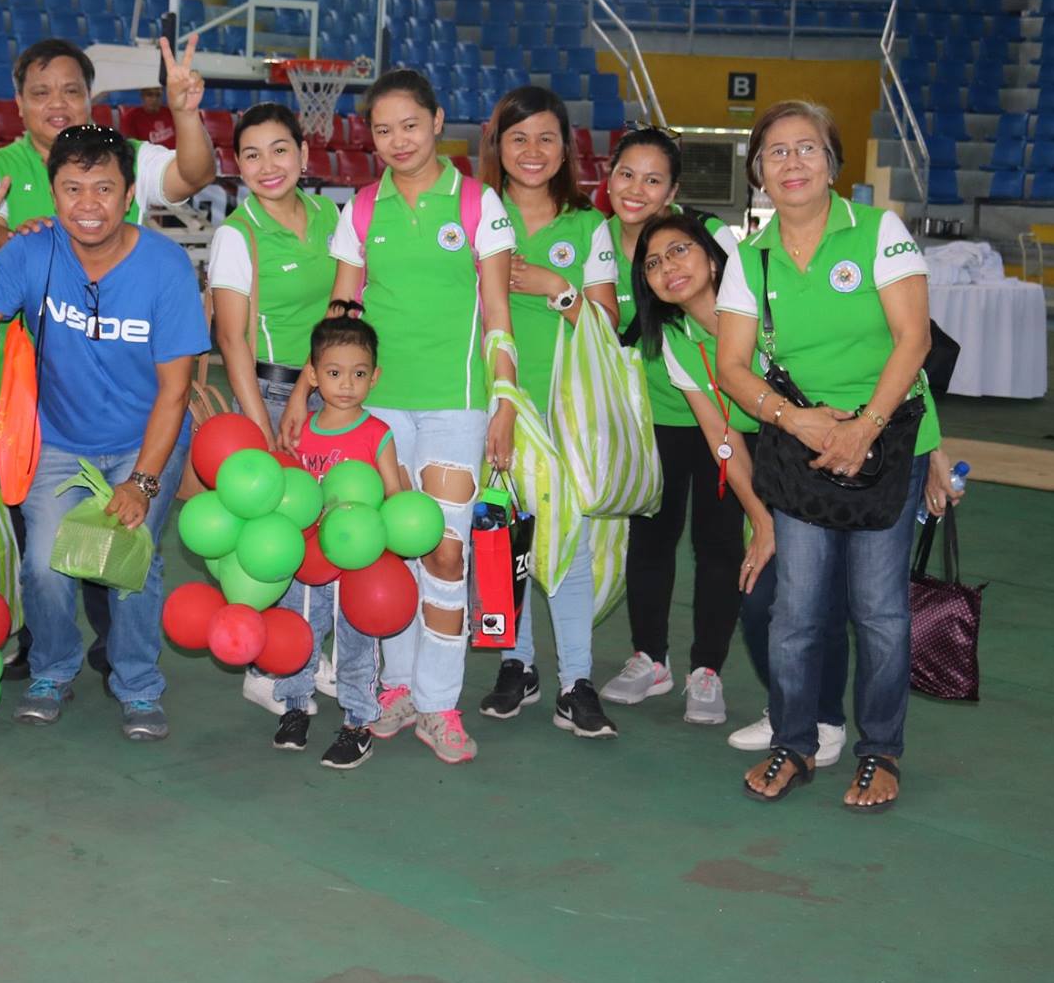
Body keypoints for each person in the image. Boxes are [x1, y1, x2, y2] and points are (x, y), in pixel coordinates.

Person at [716, 99, 959, 811]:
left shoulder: (880, 231)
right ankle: (793, 743)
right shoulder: (749, 258)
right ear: (757, 171)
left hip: (886, 443)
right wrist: (798, 421)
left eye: (807, 148)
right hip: (801, 450)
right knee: (796, 612)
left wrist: (864, 428)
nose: (791, 162)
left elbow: (914, 340)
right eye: (776, 152)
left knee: (879, 610)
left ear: (832, 163)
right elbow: (732, 367)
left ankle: (880, 751)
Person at [0, 123, 209, 741]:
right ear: (53, 193)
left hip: (146, 439)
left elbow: (174, 391)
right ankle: (52, 670)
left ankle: (138, 684)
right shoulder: (31, 253)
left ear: (128, 195)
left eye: (104, 189)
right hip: (58, 440)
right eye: (73, 188)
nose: (89, 204)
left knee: (130, 559)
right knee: (44, 565)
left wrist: (142, 482)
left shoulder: (165, 266)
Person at [280, 68, 518, 765]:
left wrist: (505, 401)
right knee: (391, 553)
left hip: (456, 405)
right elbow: (340, 318)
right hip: (376, 411)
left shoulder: (477, 203)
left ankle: (441, 704)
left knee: (444, 552)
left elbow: (498, 311)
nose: (398, 140)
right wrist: (303, 390)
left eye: (410, 125)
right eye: (383, 130)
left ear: (437, 121)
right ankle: (400, 689)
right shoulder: (360, 210)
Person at [0, 36, 216, 675]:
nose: (57, 103)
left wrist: (185, 111)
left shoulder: (120, 154)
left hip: (128, 382)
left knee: (118, 543)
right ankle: (47, 654)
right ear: (18, 102)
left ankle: (117, 655)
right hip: (33, 388)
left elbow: (192, 174)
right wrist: (15, 242)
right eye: (41, 92)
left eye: (71, 90)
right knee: (42, 549)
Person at [629, 213, 855, 764]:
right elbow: (721, 436)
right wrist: (761, 519)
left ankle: (825, 719)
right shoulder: (677, 341)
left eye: (679, 251)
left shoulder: (762, 306)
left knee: (824, 601)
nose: (668, 268)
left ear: (713, 259)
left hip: (827, 453)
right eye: (653, 264)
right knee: (759, 599)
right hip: (771, 471)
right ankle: (790, 710)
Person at [583, 127, 747, 725]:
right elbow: (599, 327)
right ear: (609, 178)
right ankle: (650, 658)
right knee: (650, 540)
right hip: (648, 421)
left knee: (718, 543)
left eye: (654, 180)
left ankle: (708, 669)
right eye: (627, 174)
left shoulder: (708, 235)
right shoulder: (598, 238)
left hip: (724, 414)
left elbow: (742, 317)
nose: (637, 189)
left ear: (673, 191)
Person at [471, 86, 616, 739]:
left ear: (566, 149)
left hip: (565, 415)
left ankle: (577, 679)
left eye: (546, 138)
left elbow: (606, 328)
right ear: (497, 146)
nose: (532, 151)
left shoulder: (588, 226)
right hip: (488, 402)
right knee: (501, 538)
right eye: (518, 138)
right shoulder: (477, 212)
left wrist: (557, 288)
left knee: (568, 544)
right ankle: (517, 664)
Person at [271, 314, 399, 769]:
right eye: (334, 372)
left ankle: (358, 722)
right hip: (305, 560)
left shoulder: (377, 433)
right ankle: (293, 707)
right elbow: (284, 491)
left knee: (356, 641)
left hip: (358, 564)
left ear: (374, 377)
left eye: (359, 374)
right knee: (299, 631)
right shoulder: (298, 429)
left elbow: (394, 495)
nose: (347, 384)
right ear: (312, 374)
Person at [207, 102, 339, 439]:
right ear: (239, 165)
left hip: (336, 390)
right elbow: (230, 340)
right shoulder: (236, 235)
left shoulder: (328, 213)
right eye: (253, 155)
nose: (268, 166)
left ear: (302, 153)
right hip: (273, 397)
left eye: (279, 150)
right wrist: (262, 427)